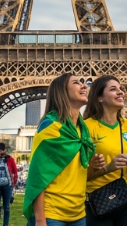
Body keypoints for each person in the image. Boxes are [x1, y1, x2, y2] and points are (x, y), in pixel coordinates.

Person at [22, 73, 102, 226]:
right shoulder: (50, 127)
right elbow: (38, 175)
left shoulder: (82, 130)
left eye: (83, 82)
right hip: (52, 213)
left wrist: (93, 167)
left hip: (78, 213)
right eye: (76, 82)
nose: (84, 85)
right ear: (62, 92)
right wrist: (40, 219)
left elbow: (77, 176)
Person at [83, 75, 127, 226]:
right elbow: (79, 174)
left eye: (120, 89)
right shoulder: (86, 127)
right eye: (113, 89)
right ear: (100, 97)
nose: (120, 92)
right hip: (97, 200)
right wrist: (109, 168)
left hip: (123, 198)